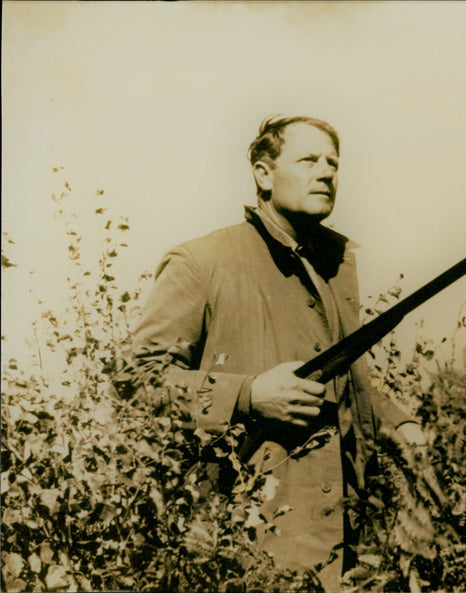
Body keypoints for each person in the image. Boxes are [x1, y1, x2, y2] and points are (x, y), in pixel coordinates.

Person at [131, 115, 424, 590]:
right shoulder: (201, 261)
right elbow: (136, 385)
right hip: (241, 551)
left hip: (348, 552)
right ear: (263, 175)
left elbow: (351, 388)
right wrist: (247, 395)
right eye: (308, 160)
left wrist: (399, 424)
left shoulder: (334, 269)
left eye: (333, 163)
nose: (326, 172)